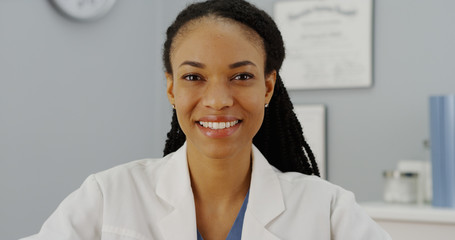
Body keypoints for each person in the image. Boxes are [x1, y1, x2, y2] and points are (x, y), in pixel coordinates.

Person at [21, 0, 391, 239]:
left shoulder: (327, 210)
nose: (217, 100)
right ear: (171, 88)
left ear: (267, 87)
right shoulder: (108, 195)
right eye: (194, 77)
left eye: (241, 76)